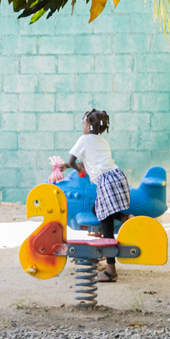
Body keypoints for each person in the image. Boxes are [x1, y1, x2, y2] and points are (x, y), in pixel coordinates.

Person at [59, 109, 129, 282]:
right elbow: (90, 160)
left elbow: (73, 160)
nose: (82, 126)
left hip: (105, 182)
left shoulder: (83, 139)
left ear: (88, 125)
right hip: (117, 176)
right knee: (96, 209)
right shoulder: (101, 140)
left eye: (82, 123)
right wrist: (69, 166)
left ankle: (111, 270)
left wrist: (74, 167)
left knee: (106, 227)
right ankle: (126, 217)